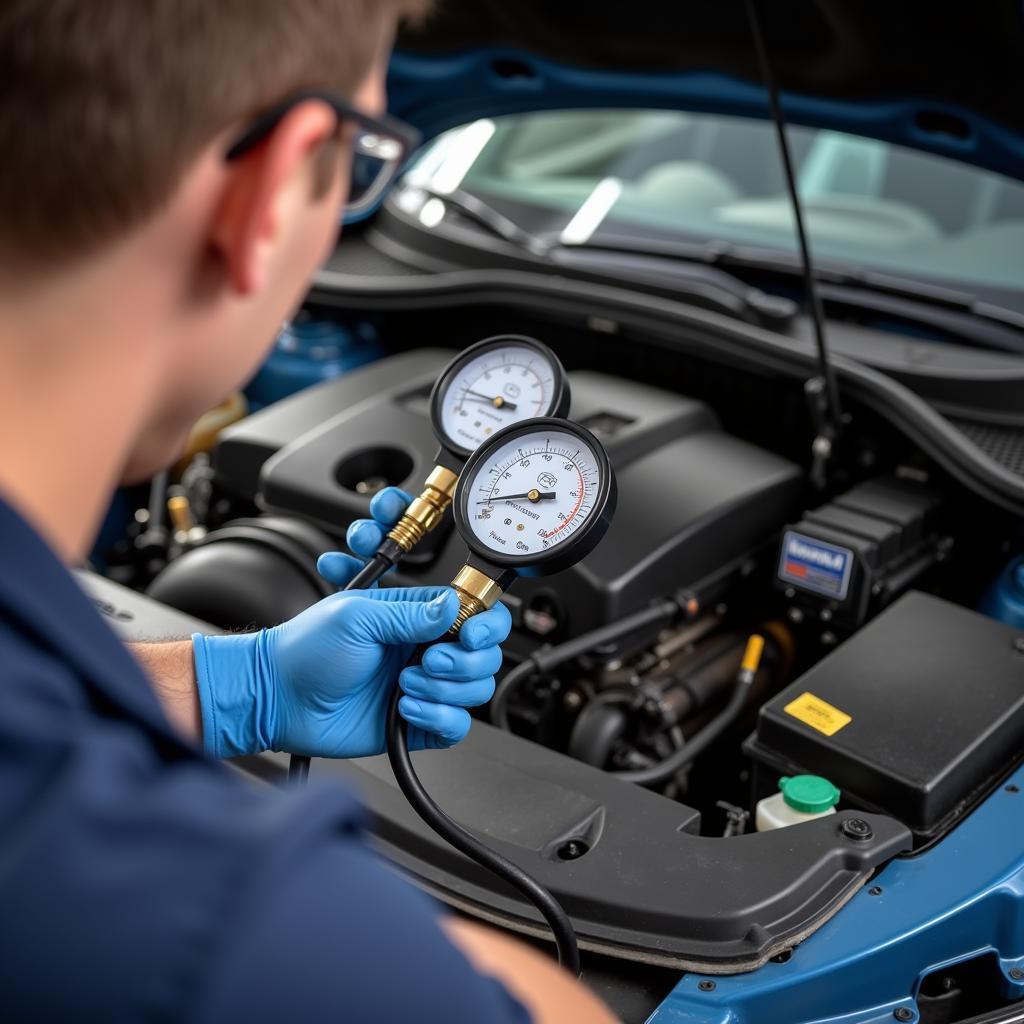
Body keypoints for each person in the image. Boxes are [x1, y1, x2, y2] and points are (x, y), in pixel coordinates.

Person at [0, 2, 616, 1021]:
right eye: (364, 154)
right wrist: (319, 912)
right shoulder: (215, 934)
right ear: (275, 189)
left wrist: (232, 681)